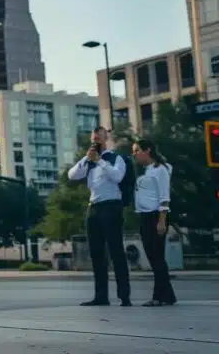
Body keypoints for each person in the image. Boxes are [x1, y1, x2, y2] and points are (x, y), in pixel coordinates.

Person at [68, 126, 131, 307]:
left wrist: (101, 162)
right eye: (93, 139)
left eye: (99, 139)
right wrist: (87, 159)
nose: (95, 142)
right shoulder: (89, 160)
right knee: (96, 252)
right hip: (94, 207)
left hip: (111, 206)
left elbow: (118, 176)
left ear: (106, 138)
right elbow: (72, 175)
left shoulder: (115, 158)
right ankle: (101, 296)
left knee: (116, 250)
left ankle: (124, 296)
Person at [131, 140, 176, 306]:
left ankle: (159, 296)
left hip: (156, 216)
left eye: (137, 150)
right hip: (144, 216)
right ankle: (168, 295)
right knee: (153, 257)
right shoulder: (147, 171)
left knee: (156, 257)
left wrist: (162, 221)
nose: (134, 154)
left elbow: (164, 197)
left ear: (147, 150)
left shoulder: (160, 169)